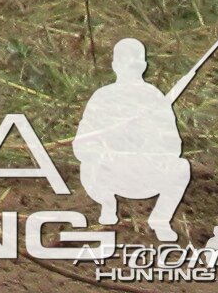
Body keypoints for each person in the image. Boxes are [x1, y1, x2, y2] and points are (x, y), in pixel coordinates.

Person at [74, 38, 195, 241]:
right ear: (115, 65)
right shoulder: (102, 97)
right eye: (124, 62)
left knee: (181, 167)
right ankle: (107, 204)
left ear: (143, 67)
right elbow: (82, 143)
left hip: (146, 173)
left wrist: (148, 141)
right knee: (88, 166)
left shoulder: (155, 98)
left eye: (134, 63)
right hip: (110, 173)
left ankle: (160, 219)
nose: (130, 68)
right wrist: (105, 150)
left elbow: (173, 146)